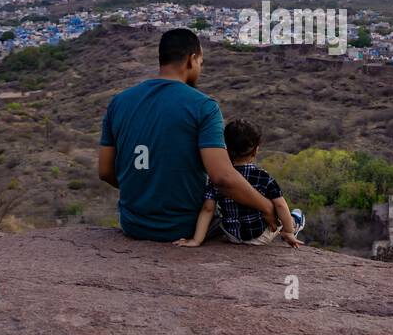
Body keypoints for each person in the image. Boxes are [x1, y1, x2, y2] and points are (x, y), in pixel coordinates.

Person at [98, 28, 277, 242]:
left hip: (133, 224)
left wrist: (145, 187)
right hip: (183, 227)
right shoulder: (203, 106)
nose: (200, 68)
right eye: (201, 62)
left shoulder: (119, 102)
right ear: (191, 60)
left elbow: (105, 171)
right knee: (250, 219)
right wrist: (267, 206)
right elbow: (222, 178)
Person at [174, 119, 305, 248]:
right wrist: (288, 231)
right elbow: (280, 205)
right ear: (255, 151)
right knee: (284, 209)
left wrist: (196, 240)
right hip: (259, 237)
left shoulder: (217, 177)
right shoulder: (263, 176)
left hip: (232, 235)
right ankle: (294, 224)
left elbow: (208, 209)